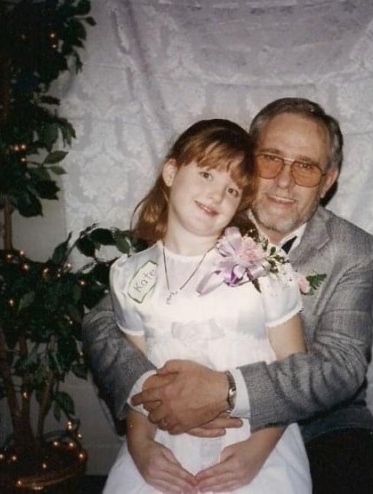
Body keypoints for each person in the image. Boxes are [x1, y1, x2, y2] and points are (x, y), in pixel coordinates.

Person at [84, 98, 373, 493]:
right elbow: (103, 321)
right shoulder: (199, 222)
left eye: (306, 167)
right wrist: (161, 392)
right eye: (271, 159)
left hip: (324, 420)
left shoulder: (353, 250)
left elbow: (341, 364)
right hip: (181, 420)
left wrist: (224, 392)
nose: (284, 181)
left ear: (328, 181)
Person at [101, 119, 312, 493]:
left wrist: (255, 454)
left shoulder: (267, 266)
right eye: (206, 175)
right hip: (166, 437)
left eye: (232, 190)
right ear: (170, 171)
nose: (216, 195)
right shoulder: (129, 275)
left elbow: (295, 375)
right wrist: (141, 446)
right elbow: (137, 381)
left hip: (256, 436)